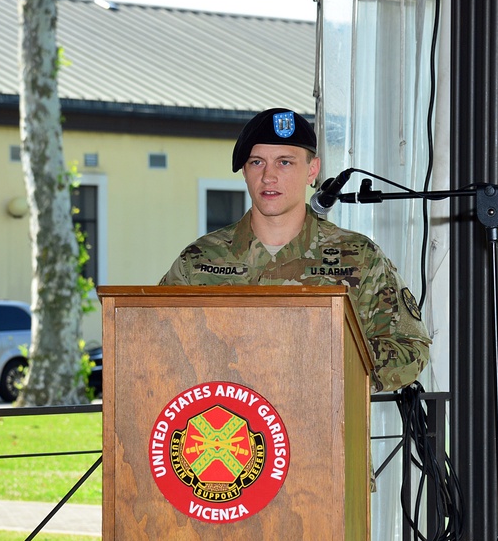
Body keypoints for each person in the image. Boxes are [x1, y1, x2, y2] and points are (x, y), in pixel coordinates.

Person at [160, 107, 430, 392]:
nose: (268, 177)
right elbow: (157, 342)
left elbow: (410, 350)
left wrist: (321, 360)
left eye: (285, 162)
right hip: (227, 429)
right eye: (256, 162)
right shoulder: (200, 260)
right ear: (244, 171)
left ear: (312, 170)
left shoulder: (358, 256)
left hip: (325, 427)